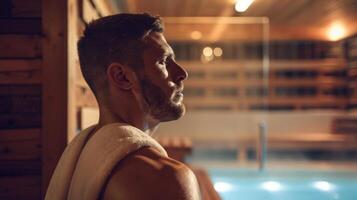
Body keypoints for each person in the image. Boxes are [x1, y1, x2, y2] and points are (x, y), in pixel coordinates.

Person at [45, 13, 201, 200]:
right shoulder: (164, 178)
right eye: (162, 62)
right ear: (122, 77)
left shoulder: (83, 156)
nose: (181, 73)